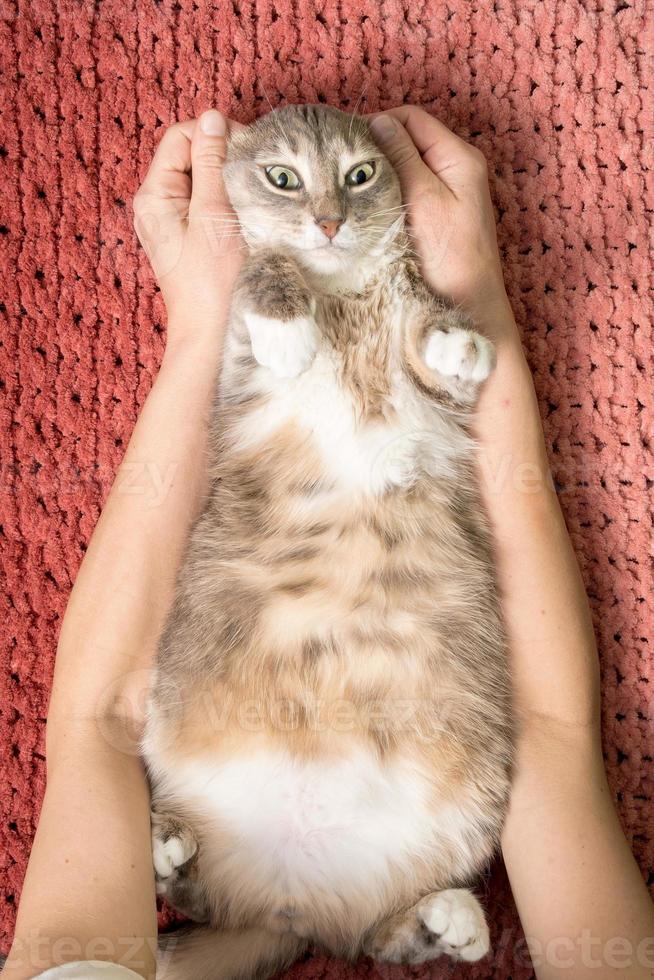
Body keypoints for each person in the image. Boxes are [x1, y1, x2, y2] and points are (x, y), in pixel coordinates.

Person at [3, 106, 653, 980]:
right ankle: (383, 925)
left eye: (351, 180)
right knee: (474, 779)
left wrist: (200, 329)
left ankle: (251, 890)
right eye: (284, 181)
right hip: (406, 774)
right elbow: (553, 740)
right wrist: (478, 305)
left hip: (234, 771)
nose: (326, 214)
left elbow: (95, 724)